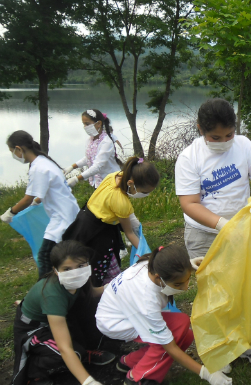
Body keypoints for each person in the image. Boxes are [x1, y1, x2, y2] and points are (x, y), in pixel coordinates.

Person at [174, 98, 251, 366]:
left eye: (229, 134)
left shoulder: (242, 145)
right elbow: (189, 202)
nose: (224, 141)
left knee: (246, 287)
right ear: (200, 130)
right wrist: (221, 224)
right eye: (215, 137)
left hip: (242, 230)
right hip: (205, 234)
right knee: (215, 293)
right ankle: (221, 349)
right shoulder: (189, 158)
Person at [96, 245, 232, 385]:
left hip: (119, 309)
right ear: (158, 278)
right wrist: (207, 374)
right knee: (171, 337)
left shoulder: (152, 263)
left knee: (183, 330)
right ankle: (137, 378)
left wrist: (188, 264)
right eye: (178, 284)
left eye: (187, 280)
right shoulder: (147, 301)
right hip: (116, 322)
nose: (186, 288)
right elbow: (170, 347)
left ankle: (129, 361)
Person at [3, 241, 114, 385]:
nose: (75, 272)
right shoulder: (53, 294)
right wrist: (89, 383)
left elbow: (95, 293)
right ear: (56, 271)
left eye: (81, 266)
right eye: (67, 269)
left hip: (57, 319)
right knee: (71, 352)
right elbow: (64, 347)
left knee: (96, 311)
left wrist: (118, 284)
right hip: (34, 329)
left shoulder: (80, 281)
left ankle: (83, 352)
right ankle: (34, 370)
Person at [63, 157, 159, 286]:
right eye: (145, 192)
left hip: (83, 220)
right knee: (101, 266)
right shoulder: (120, 201)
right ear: (131, 183)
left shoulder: (114, 176)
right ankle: (107, 291)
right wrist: (147, 253)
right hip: (97, 233)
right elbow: (129, 233)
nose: (146, 195)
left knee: (82, 261)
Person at [2, 131, 80, 278]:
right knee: (61, 257)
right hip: (66, 213)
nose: (14, 155)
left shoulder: (39, 167)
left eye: (12, 152)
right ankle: (58, 287)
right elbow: (43, 192)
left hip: (63, 217)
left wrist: (10, 213)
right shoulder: (43, 161)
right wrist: (36, 201)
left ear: (19, 149)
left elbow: (27, 198)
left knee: (45, 256)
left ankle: (43, 295)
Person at [63, 109, 122, 188]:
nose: (85, 127)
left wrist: (76, 179)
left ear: (99, 124)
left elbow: (97, 166)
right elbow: (89, 158)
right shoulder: (90, 140)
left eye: (87, 124)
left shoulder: (107, 142)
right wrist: (72, 167)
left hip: (111, 182)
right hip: (98, 183)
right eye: (84, 124)